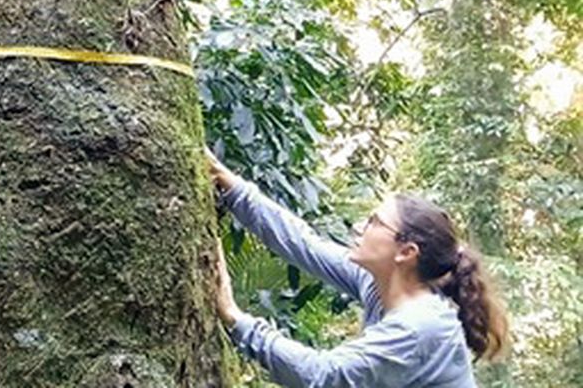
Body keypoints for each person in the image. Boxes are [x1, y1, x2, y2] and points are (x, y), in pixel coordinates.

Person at [206, 149, 509, 388]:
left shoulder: (419, 326)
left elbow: (324, 376)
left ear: (406, 252)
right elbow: (304, 245)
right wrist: (231, 185)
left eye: (375, 222)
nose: (361, 226)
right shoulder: (379, 285)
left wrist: (236, 318)